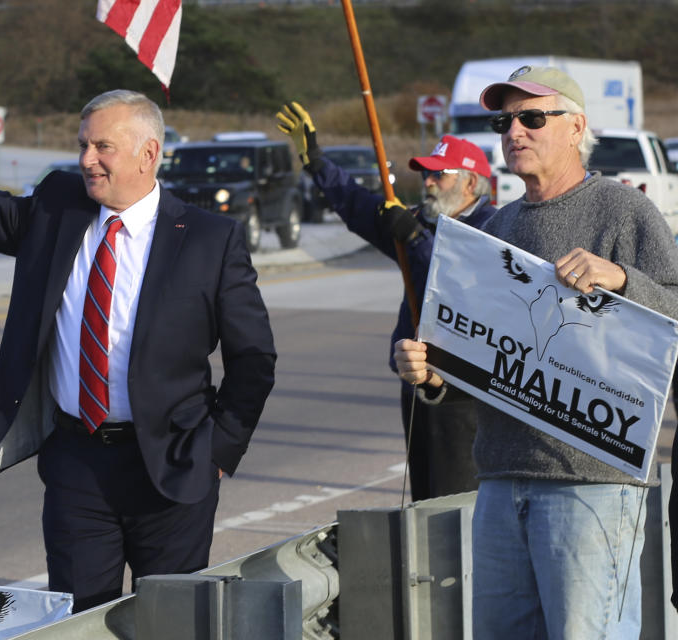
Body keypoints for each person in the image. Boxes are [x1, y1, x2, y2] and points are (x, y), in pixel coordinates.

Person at [0, 51, 277, 613]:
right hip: (77, 463)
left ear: (149, 154)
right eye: (82, 145)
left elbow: (254, 358)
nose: (87, 160)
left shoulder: (209, 239)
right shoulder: (58, 206)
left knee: (171, 622)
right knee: (78, 619)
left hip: (172, 468)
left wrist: (218, 449)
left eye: (102, 148)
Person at [394, 65, 678, 638]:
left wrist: (622, 278)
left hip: (593, 482)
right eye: (504, 120)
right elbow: (471, 357)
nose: (513, 132)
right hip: (498, 480)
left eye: (531, 118)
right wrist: (429, 374)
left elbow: (674, 310)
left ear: (576, 127)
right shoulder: (493, 229)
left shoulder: (625, 211)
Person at [276, 102, 496, 501]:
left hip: (463, 388)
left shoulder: (493, 227)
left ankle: (464, 566)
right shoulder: (422, 221)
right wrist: (317, 161)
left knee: (459, 502)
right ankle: (433, 566)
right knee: (426, 499)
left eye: (439, 175)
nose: (428, 182)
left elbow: (459, 283)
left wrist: (414, 238)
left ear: (470, 183)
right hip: (415, 377)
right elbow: (358, 205)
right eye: (426, 173)